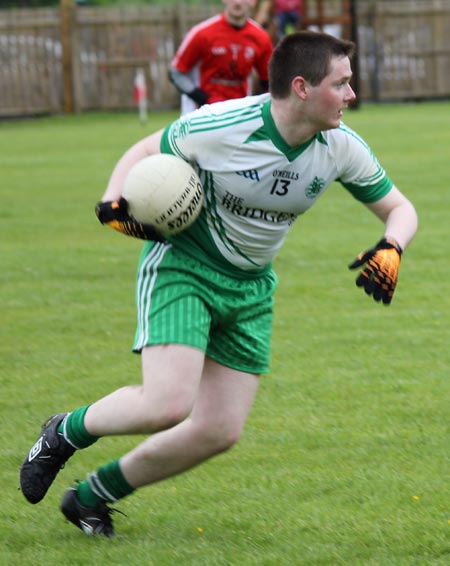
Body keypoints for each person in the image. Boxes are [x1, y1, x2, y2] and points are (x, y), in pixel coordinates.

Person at [20, 31, 418, 538]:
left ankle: (91, 497)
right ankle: (65, 431)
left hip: (251, 287)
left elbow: (400, 209)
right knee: (167, 403)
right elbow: (147, 146)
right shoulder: (224, 124)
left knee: (218, 430)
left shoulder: (340, 148)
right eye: (341, 83)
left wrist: (392, 246)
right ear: (301, 87)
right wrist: (112, 201)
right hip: (185, 265)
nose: (351, 94)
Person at [169, 0, 273, 115]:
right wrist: (201, 98)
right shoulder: (202, 33)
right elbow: (175, 73)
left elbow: (269, 81)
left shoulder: (261, 38)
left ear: (253, 2)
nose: (238, 2)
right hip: (202, 114)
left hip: (238, 114)